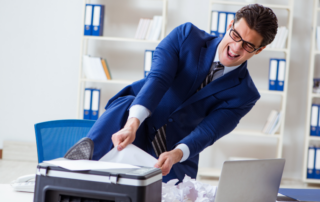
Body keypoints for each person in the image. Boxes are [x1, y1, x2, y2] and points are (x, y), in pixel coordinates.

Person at [64, 4, 278, 183]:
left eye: (248, 45)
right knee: (125, 106)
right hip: (134, 122)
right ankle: (79, 164)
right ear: (230, 25)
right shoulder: (186, 36)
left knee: (175, 194)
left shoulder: (245, 94)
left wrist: (177, 154)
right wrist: (132, 124)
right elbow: (159, 78)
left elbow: (209, 131)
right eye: (235, 35)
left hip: (174, 151)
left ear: (259, 50)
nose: (236, 47)